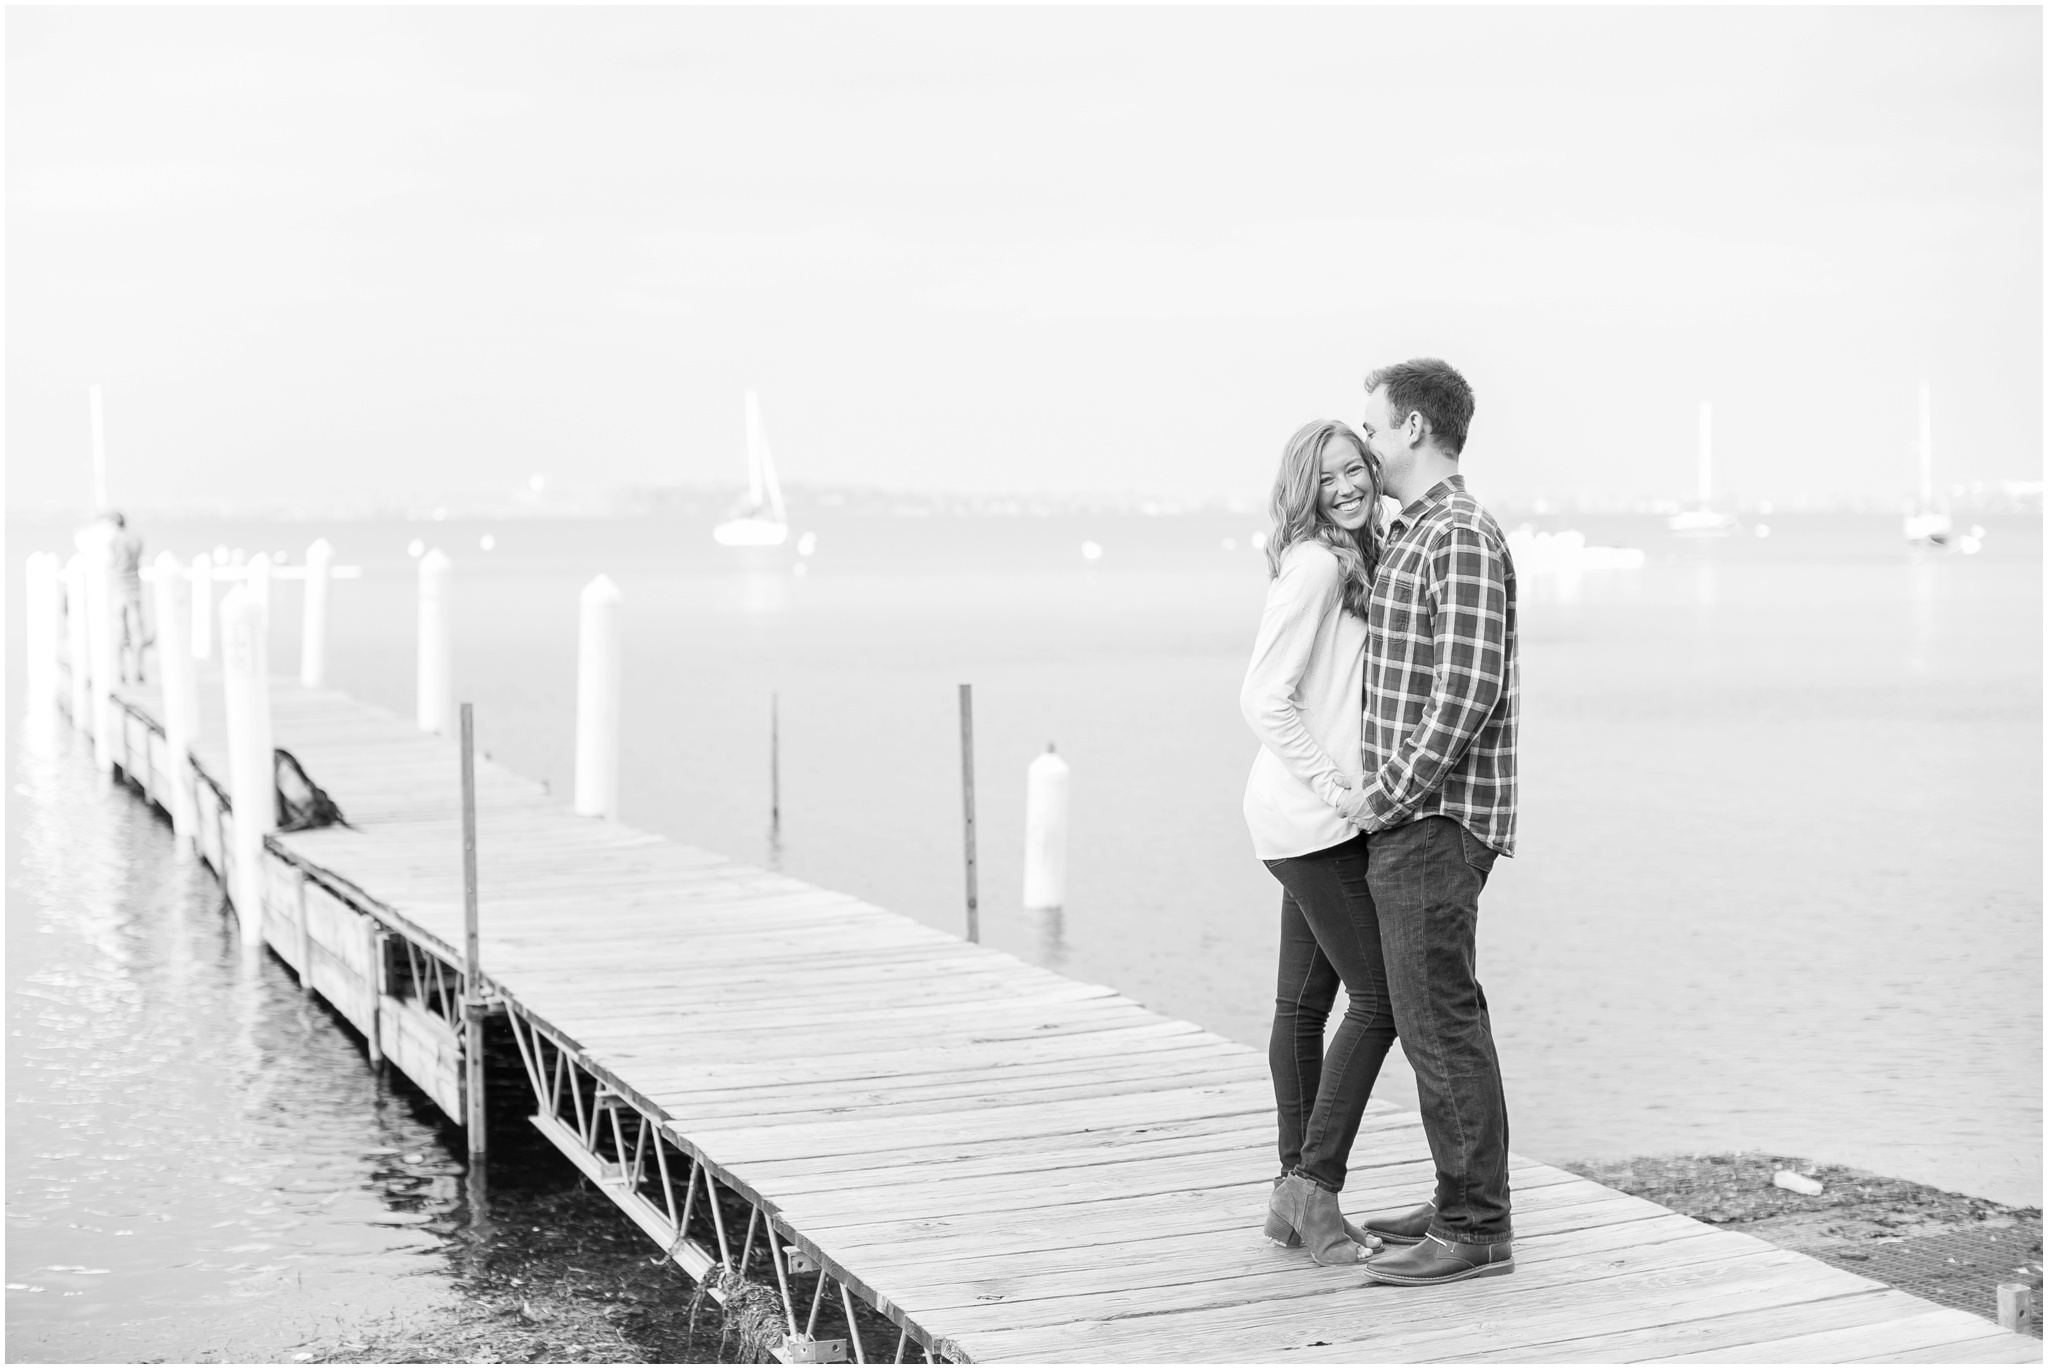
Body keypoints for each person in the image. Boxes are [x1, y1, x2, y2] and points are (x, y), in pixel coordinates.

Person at [1340, 358, 1521, 1287]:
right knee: (1435, 1016)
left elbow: (1468, 685)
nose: (1366, 446)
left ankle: (1476, 1227)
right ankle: (1461, 1199)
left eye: (1372, 429)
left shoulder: (1460, 533)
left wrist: (1389, 792)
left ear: (1412, 427)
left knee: (1439, 1020)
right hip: (1415, 816)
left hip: (1436, 817)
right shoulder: (1413, 532)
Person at [1239, 419, 1393, 1266]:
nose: (1348, 485)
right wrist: (1339, 785)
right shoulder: (1319, 564)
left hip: (1300, 821)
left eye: (1356, 468)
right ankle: (1314, 1185)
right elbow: (1263, 698)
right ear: (1307, 488)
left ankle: (1290, 1198)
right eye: (1328, 476)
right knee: (1381, 1000)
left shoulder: (1349, 558)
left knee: (1302, 1006)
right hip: (1312, 821)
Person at [105, 512, 148, 683]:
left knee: (120, 632)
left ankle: (121, 671)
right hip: (135, 588)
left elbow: (112, 562)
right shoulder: (136, 540)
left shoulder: (113, 542)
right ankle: (138, 670)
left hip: (119, 589)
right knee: (137, 632)